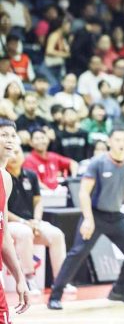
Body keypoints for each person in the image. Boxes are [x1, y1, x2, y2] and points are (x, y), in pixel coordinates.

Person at [48, 128, 124, 310]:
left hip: (116, 217)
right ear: (110, 142)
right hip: (95, 215)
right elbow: (84, 192)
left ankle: (120, 291)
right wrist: (88, 219)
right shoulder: (98, 162)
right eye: (118, 139)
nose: (121, 143)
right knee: (77, 254)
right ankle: (55, 295)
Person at [6, 144, 72, 295]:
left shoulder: (31, 175)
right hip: (11, 224)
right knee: (25, 233)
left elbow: (38, 202)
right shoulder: (2, 176)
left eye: (17, 152)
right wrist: (25, 222)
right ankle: (28, 279)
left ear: (23, 155)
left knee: (56, 235)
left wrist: (36, 220)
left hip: (32, 222)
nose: (14, 156)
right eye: (11, 153)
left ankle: (60, 281)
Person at [0, 120, 31, 322]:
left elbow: (4, 235)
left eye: (13, 135)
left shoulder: (6, 179)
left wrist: (20, 277)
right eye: (4, 135)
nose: (10, 140)